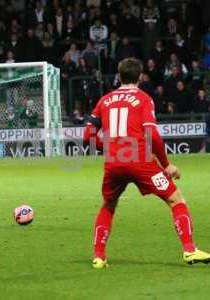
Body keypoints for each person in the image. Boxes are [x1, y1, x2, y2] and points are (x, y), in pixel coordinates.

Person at [83, 58, 210, 269]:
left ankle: (99, 256)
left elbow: (88, 136)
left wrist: (110, 149)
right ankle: (189, 251)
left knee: (108, 206)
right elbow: (153, 136)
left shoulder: (104, 100)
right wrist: (167, 164)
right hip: (141, 162)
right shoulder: (144, 99)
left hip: (114, 162)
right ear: (140, 76)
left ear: (119, 75)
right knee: (176, 200)